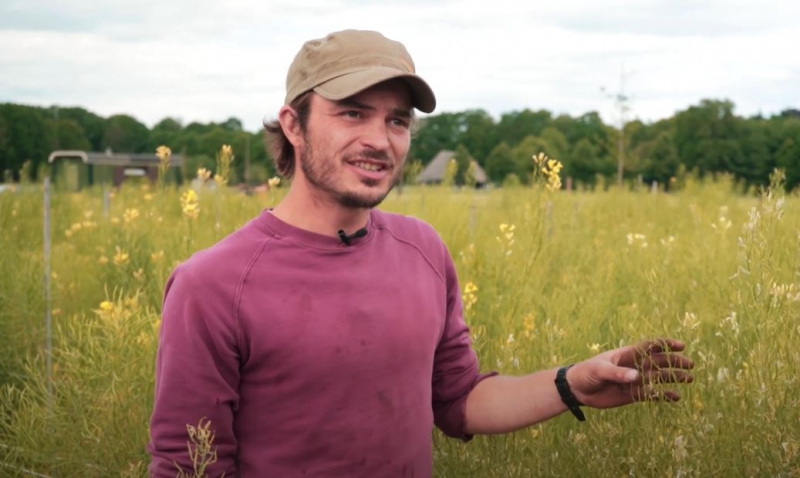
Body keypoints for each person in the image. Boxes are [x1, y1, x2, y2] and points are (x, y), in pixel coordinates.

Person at [147, 29, 694, 477]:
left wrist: (571, 383)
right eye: (352, 113)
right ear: (293, 124)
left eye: (397, 120)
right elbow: (188, 466)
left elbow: (459, 401)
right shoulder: (213, 285)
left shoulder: (422, 250)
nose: (380, 140)